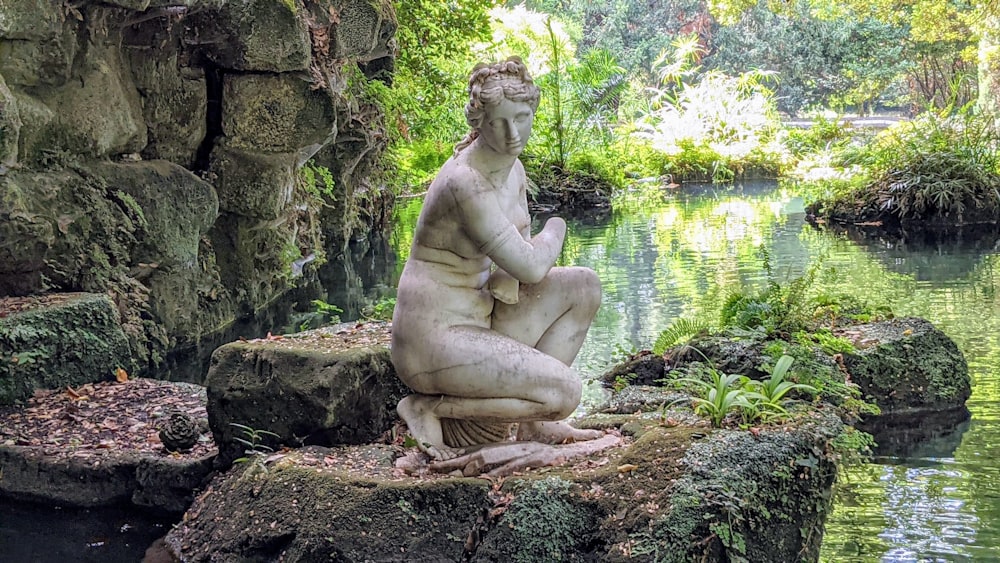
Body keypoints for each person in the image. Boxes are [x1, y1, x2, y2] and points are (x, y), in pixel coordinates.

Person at [391, 57, 603, 461]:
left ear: (532, 112)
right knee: (566, 391)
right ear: (479, 123)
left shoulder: (514, 169)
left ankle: (536, 421)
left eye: (521, 118)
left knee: (583, 286)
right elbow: (531, 265)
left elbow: (515, 274)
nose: (512, 134)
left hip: (481, 315)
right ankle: (428, 407)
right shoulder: (464, 183)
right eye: (498, 122)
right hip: (434, 338)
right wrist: (557, 225)